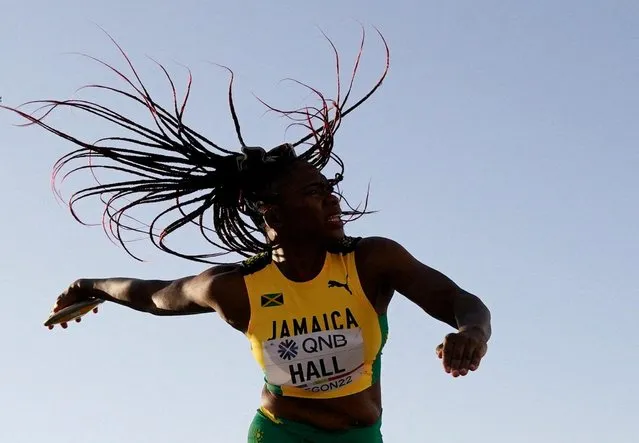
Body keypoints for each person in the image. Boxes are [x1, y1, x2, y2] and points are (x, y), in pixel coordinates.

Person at [8, 30, 491, 443]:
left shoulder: (371, 262)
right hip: (278, 434)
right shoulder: (236, 288)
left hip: (360, 437)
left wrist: (471, 333)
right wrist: (91, 286)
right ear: (272, 212)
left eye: (329, 190)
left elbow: (459, 300)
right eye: (314, 193)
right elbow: (154, 296)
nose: (332, 202)